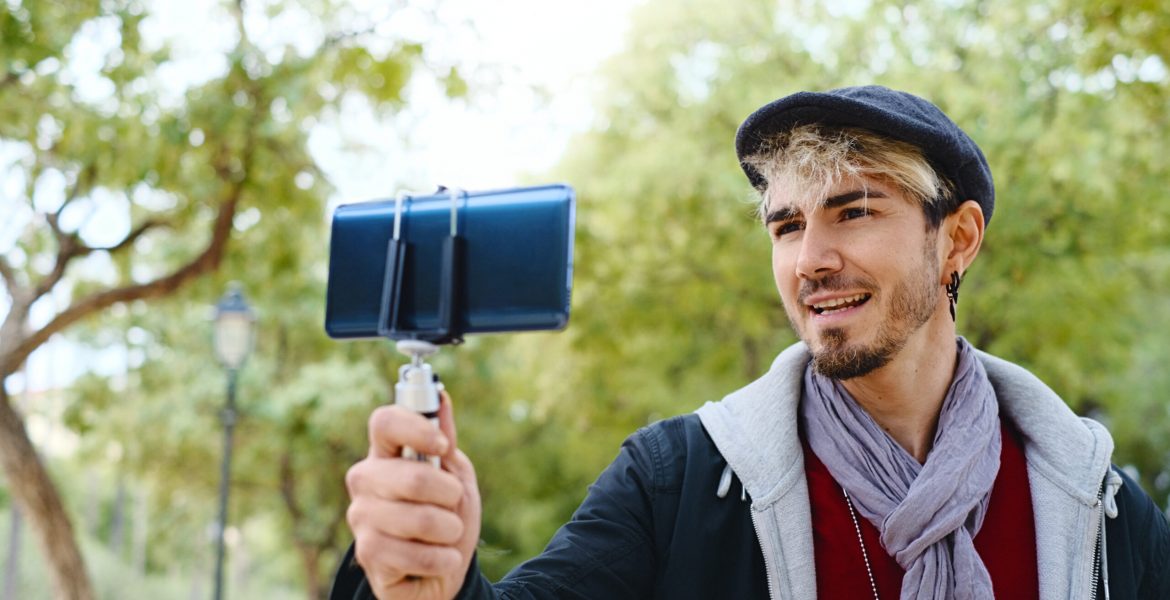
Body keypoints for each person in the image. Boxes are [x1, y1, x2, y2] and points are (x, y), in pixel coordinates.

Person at [333, 86, 1170, 600]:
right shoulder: (679, 482)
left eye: (853, 210)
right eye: (787, 225)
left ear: (956, 240)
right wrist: (421, 587)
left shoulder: (1099, 505)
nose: (811, 259)